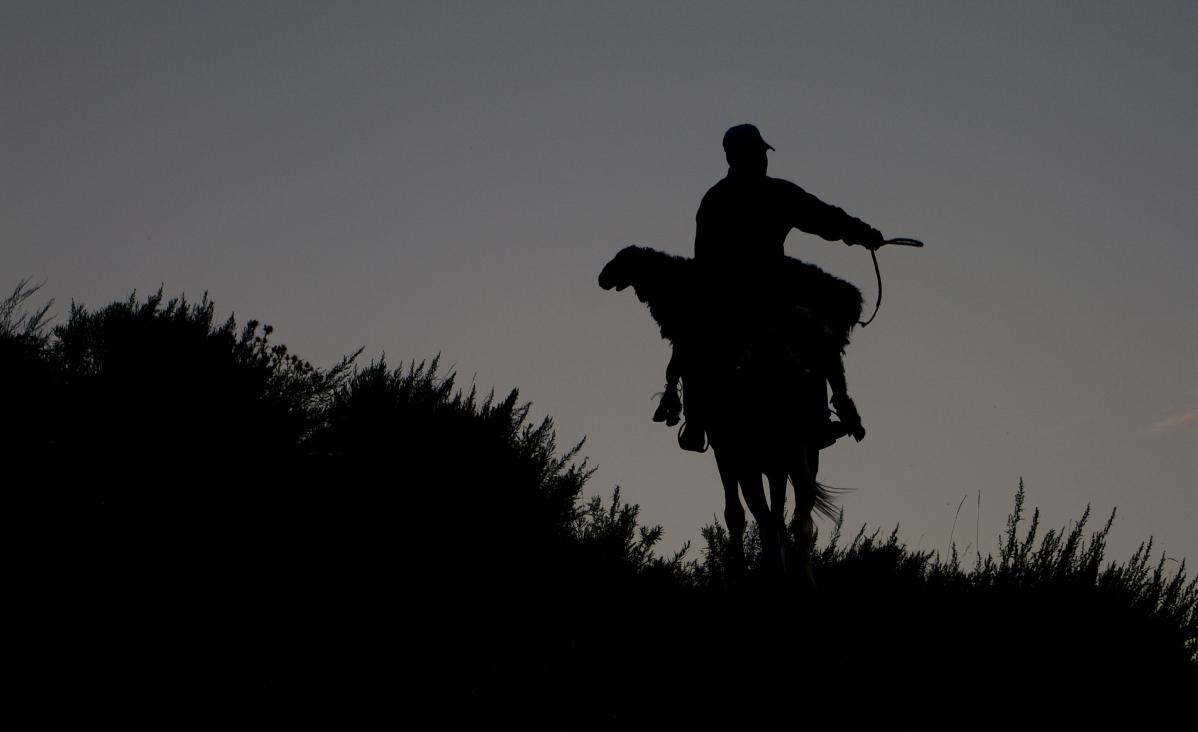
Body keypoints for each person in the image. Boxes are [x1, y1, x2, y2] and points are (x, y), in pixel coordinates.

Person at [656, 124, 882, 451]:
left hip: (734, 293)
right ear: (737, 156)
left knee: (695, 342)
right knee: (816, 335)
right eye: (758, 152)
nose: (763, 159)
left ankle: (695, 421)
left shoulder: (720, 197)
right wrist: (864, 234)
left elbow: (823, 218)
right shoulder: (765, 194)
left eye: (762, 153)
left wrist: (862, 233)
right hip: (764, 291)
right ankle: (831, 411)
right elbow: (823, 218)